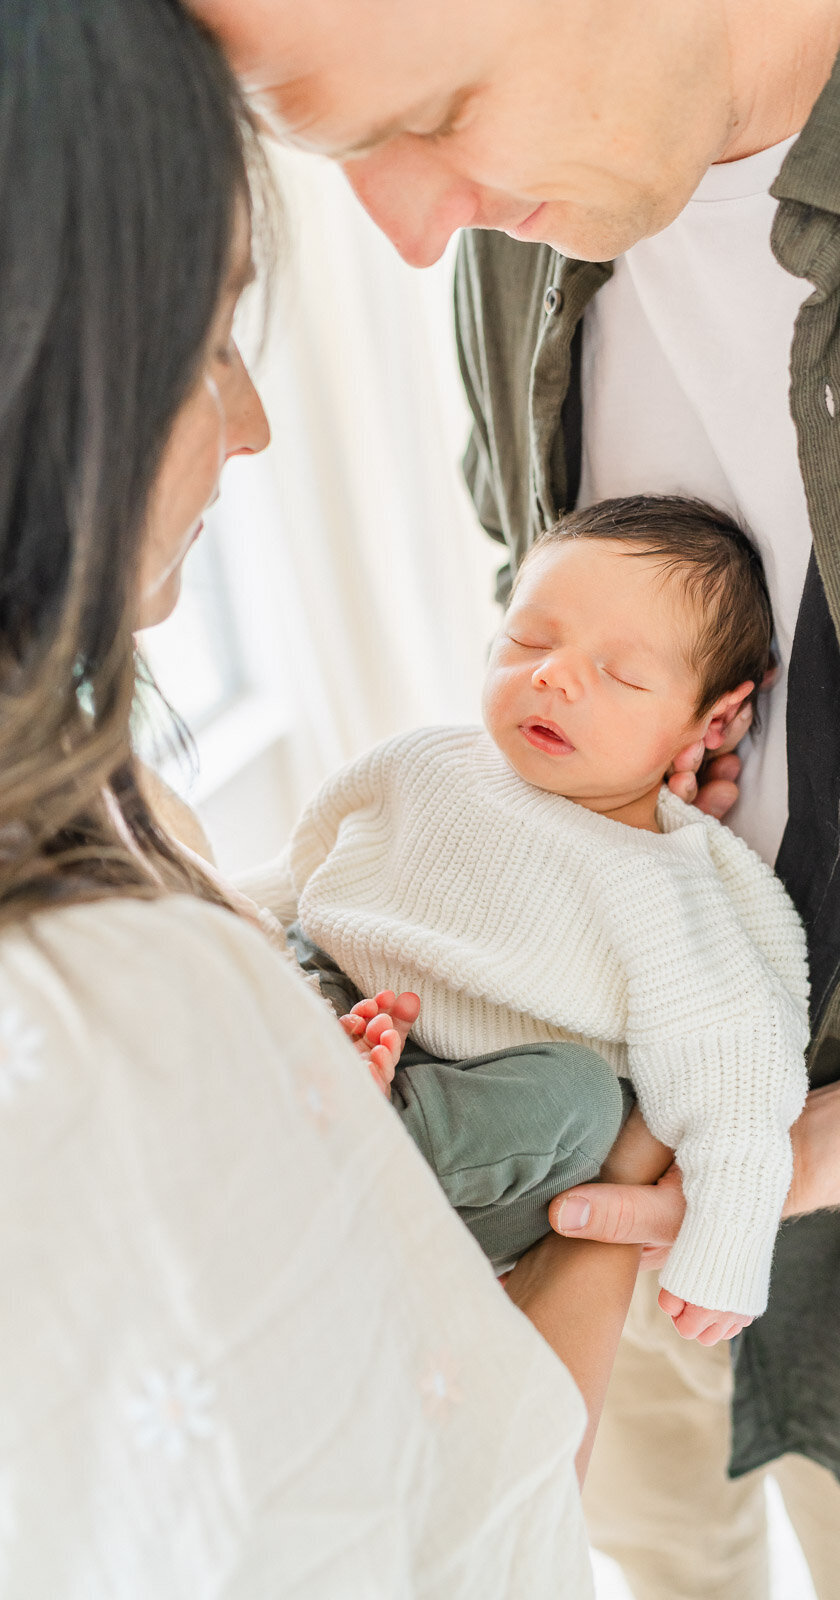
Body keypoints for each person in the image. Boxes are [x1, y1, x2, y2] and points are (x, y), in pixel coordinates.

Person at [189, 0, 840, 1594]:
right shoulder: (532, 204)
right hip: (580, 1171)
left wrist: (790, 1154)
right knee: (653, 1552)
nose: (403, 230)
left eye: (433, 111)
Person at [0, 0, 675, 1587]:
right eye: (211, 337)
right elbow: (470, 1511)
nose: (251, 424)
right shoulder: (114, 993)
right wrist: (631, 1164)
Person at [248, 495, 809, 1340]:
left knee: (579, 1097)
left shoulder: (663, 884)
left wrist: (727, 1241)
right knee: (290, 955)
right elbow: (303, 875)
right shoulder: (426, 760)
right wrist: (204, 920)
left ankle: (343, 1140)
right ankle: (315, 1095)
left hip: (486, 1133)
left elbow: (736, 1066)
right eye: (529, 641)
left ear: (713, 720)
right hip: (346, 1008)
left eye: (620, 673)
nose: (552, 675)